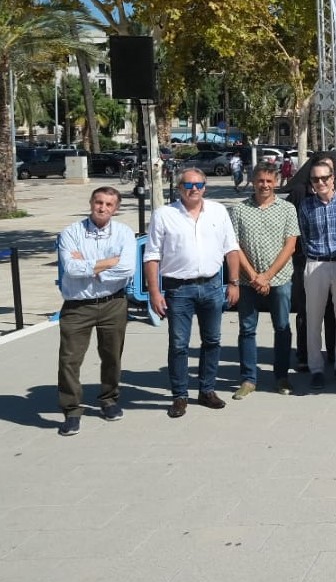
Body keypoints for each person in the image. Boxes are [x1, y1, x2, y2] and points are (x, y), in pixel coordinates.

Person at [144, 168, 241, 418]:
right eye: (188, 185)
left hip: (211, 286)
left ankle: (207, 390)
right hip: (178, 289)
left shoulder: (218, 211)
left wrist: (234, 283)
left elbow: (231, 248)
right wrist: (154, 293)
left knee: (212, 341)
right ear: (179, 188)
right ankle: (179, 396)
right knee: (178, 345)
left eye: (199, 184)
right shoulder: (164, 215)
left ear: (205, 187)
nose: (194, 189)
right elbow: (152, 255)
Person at [55, 187, 135, 436]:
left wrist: (90, 266)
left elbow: (127, 269)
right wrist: (109, 262)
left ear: (116, 208)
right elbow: (71, 269)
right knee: (70, 360)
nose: (102, 207)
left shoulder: (123, 233)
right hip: (78, 305)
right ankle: (71, 410)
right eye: (99, 202)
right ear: (91, 203)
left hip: (114, 303)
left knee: (112, 355)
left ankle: (109, 399)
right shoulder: (71, 233)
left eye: (109, 204)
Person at [230, 162, 300, 397]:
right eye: (260, 180)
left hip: (279, 279)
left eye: (269, 181)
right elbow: (234, 246)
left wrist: (267, 276)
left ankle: (281, 377)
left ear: (277, 182)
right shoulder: (239, 210)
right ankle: (249, 379)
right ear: (253, 181)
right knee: (247, 329)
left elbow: (290, 245)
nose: (265, 185)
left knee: (282, 327)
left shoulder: (287, 209)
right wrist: (253, 276)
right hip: (248, 280)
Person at [296, 157, 336, 389]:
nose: (320, 182)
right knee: (313, 318)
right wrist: (316, 255)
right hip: (315, 264)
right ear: (311, 182)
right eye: (315, 179)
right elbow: (303, 238)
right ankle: (316, 368)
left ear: (333, 178)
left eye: (325, 177)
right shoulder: (305, 206)